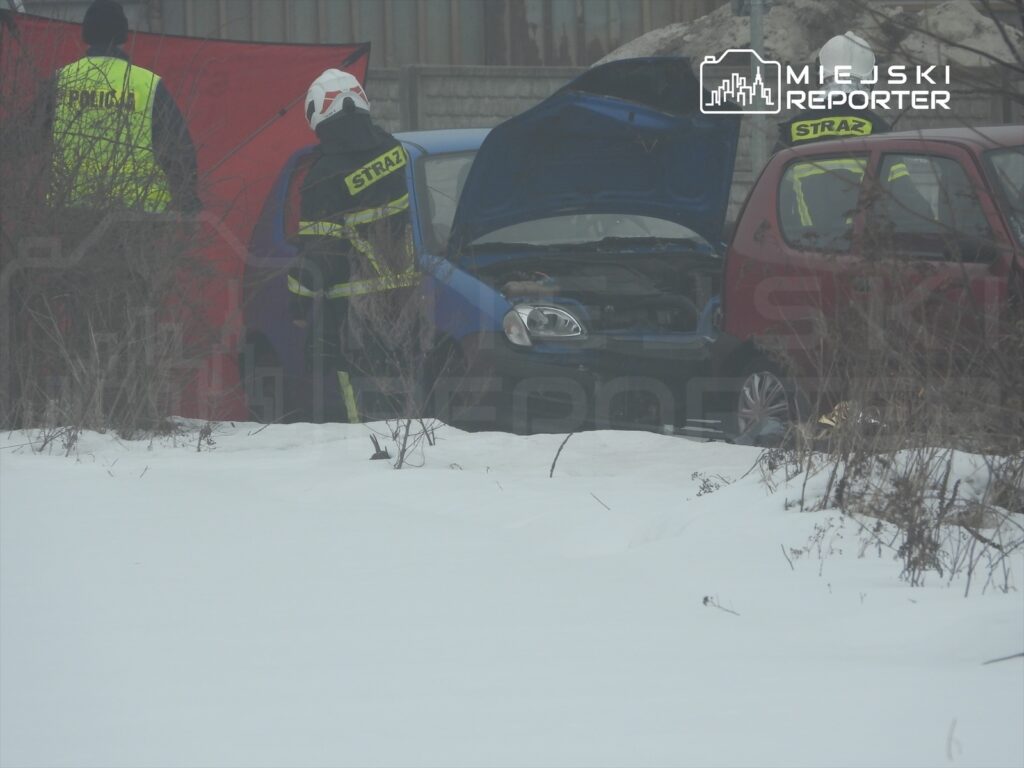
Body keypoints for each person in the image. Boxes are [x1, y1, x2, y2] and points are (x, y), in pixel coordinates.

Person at [288, 69, 417, 423]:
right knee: (407, 389)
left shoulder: (324, 174)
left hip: (353, 309)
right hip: (409, 297)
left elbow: (319, 255)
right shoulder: (395, 150)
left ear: (318, 114)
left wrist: (298, 303)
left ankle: (371, 460)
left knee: (361, 400)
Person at [49, 0, 199, 213]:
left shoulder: (61, 81)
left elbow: (24, 139)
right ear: (123, 37)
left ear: (86, 36)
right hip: (138, 217)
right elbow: (178, 150)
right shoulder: (148, 84)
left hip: (71, 212)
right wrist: (187, 201)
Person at [775, 31, 890, 152]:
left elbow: (776, 168)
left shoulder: (794, 129)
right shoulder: (878, 130)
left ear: (820, 78)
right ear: (871, 80)